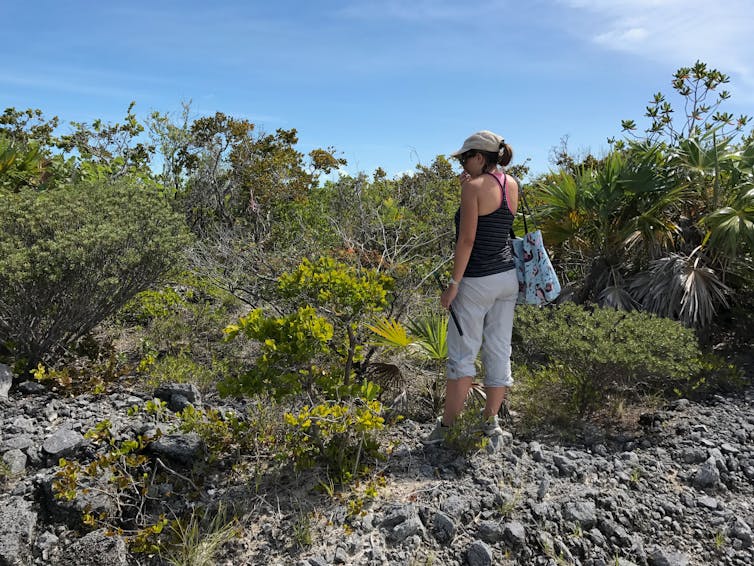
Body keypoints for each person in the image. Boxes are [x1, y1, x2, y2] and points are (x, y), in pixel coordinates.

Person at [423, 130, 518, 445]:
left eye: (466, 158)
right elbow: (498, 228)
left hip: (477, 280)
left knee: (463, 355)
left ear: (479, 157)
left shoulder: (473, 189)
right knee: (499, 349)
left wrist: (453, 284)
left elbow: (467, 240)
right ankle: (490, 423)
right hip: (507, 279)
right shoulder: (511, 185)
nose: (462, 164)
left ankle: (447, 428)